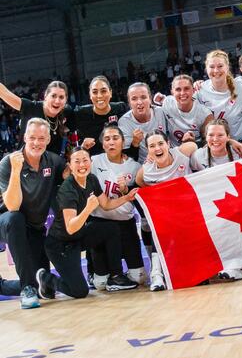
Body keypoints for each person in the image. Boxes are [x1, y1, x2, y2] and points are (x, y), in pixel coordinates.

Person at [36, 147, 139, 303]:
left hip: (78, 236)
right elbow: (71, 227)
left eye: (85, 160)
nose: (82, 164)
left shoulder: (91, 179)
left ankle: (116, 276)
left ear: (90, 162)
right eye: (77, 161)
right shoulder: (67, 190)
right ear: (70, 165)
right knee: (79, 291)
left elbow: (106, 204)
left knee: (110, 229)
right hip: (60, 245)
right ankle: (46, 278)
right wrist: (88, 209)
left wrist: (127, 198)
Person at [0, 118, 65, 309]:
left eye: (41, 138)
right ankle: (26, 288)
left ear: (48, 139)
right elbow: (12, 205)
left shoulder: (53, 161)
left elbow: (71, 175)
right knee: (15, 218)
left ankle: (11, 286)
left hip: (34, 228)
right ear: (24, 137)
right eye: (32, 138)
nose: (36, 142)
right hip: (6, 222)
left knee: (45, 289)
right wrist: (16, 170)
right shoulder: (8, 162)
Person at [136, 130, 197, 290]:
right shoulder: (147, 170)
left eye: (160, 143)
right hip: (168, 218)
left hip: (189, 212)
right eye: (152, 146)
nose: (157, 148)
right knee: (159, 226)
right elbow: (139, 182)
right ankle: (156, 274)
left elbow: (193, 145)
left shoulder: (181, 153)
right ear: (147, 150)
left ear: (168, 144)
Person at [90, 124, 146, 288]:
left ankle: (122, 272)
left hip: (125, 223)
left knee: (139, 278)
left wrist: (125, 190)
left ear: (123, 142)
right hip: (100, 222)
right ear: (102, 144)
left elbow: (139, 195)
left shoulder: (134, 167)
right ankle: (100, 272)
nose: (111, 142)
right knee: (100, 284)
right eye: (107, 139)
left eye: (115, 138)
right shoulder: (94, 161)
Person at [190, 119, 242, 280]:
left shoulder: (238, 152)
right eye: (211, 135)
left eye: (220, 135)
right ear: (205, 137)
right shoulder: (197, 156)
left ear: (228, 136)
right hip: (211, 203)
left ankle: (238, 265)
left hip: (236, 201)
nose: (215, 139)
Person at [196, 50, 242, 141]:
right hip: (217, 144)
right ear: (206, 69)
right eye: (211, 67)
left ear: (227, 67)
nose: (216, 70)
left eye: (220, 66)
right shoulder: (200, 89)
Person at [0, 80, 74, 156]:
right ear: (45, 96)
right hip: (26, 164)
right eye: (53, 96)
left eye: (61, 97)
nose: (57, 101)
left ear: (66, 99)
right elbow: (5, 93)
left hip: (54, 165)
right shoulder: (32, 108)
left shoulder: (67, 112)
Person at [75, 76, 130, 156]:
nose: (99, 96)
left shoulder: (122, 109)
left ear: (110, 93)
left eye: (103, 91)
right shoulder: (80, 114)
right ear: (90, 95)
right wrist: (83, 147)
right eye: (94, 92)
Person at [118, 82, 167, 163]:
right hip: (143, 165)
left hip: (167, 157)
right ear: (129, 103)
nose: (139, 102)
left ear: (150, 99)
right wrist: (135, 143)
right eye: (134, 99)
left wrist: (167, 100)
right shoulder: (124, 122)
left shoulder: (161, 112)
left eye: (143, 97)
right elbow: (127, 158)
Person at [162, 75, 213, 147]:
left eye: (186, 88)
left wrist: (193, 144)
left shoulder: (205, 114)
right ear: (172, 92)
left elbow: (208, 143)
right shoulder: (167, 103)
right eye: (178, 89)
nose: (182, 93)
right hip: (173, 152)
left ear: (193, 90)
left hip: (196, 152)